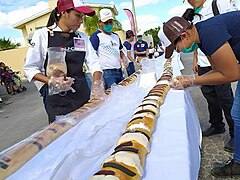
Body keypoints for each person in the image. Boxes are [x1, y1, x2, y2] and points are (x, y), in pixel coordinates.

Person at [158, 11, 240, 177]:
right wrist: (192, 78)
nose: (178, 52)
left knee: (237, 113)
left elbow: (232, 74)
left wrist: (193, 81)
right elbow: (218, 70)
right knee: (237, 114)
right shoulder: (202, 35)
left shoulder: (209, 33)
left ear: (184, 35)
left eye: (176, 47)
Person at [24, 0, 104, 124]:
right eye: (77, 15)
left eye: (82, 17)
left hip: (82, 94)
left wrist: (96, 84)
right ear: (64, 12)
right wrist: (51, 81)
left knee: (87, 130)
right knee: (64, 137)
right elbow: (30, 68)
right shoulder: (42, 35)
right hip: (57, 100)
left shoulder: (82, 37)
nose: (81, 21)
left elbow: (94, 63)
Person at [183, 0, 236, 152]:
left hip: (221, 60)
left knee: (225, 97)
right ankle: (217, 124)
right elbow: (194, 38)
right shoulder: (191, 15)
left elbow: (231, 27)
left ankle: (234, 133)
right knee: (209, 95)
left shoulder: (217, 4)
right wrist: (195, 59)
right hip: (203, 60)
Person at [89, 8, 125, 89]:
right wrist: (98, 78)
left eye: (110, 22)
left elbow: (120, 50)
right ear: (100, 22)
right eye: (106, 22)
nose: (108, 25)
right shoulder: (96, 36)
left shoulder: (115, 36)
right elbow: (92, 57)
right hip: (107, 73)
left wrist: (123, 59)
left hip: (119, 71)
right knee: (111, 96)